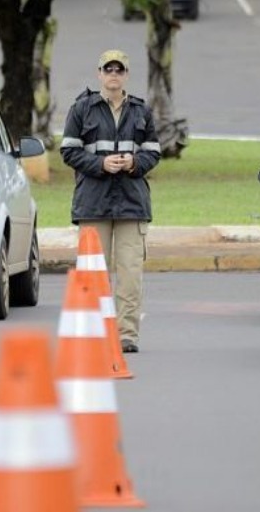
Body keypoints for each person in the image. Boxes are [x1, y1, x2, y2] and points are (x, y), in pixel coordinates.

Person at [60, 49, 161, 353]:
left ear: (126, 75)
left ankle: (127, 335)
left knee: (130, 275)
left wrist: (133, 163)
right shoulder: (81, 109)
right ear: (99, 73)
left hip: (132, 204)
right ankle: (93, 334)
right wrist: (101, 165)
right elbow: (68, 151)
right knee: (92, 276)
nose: (113, 74)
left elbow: (154, 152)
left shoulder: (141, 112)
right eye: (108, 69)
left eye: (119, 69)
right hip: (93, 204)